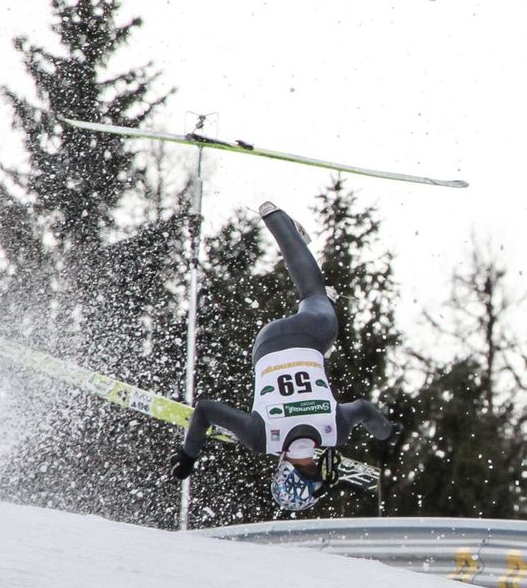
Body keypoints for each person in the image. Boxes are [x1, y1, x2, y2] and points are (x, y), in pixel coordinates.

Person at [168, 201, 396, 511]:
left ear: (320, 475)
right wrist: (187, 458)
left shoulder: (335, 430)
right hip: (266, 343)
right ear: (282, 469)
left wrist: (385, 432)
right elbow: (205, 410)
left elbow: (365, 410)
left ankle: (279, 222)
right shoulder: (261, 439)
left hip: (310, 335)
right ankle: (277, 223)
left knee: (313, 293)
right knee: (309, 327)